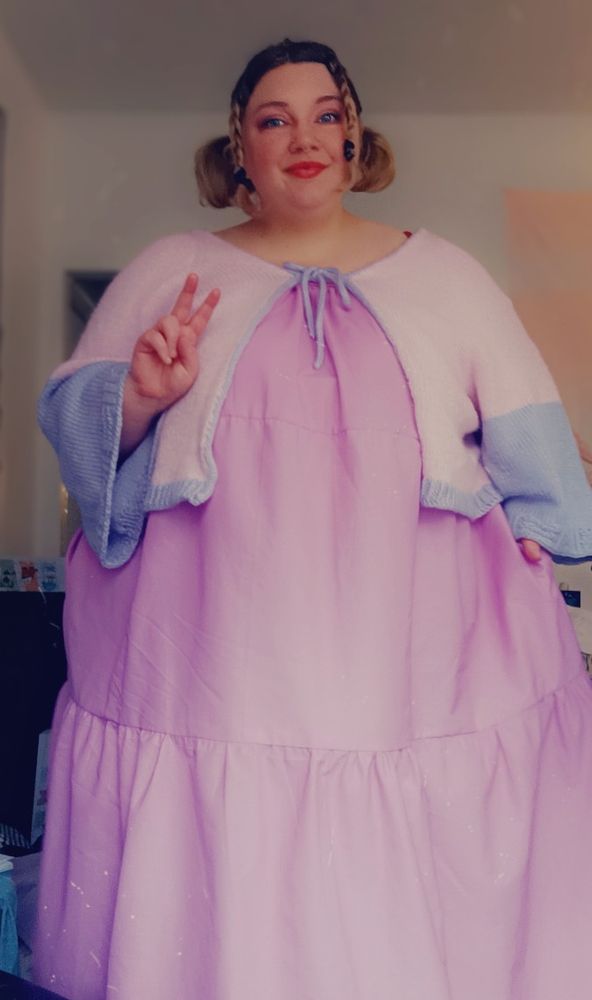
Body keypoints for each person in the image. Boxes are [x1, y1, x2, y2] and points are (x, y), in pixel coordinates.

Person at [34, 37, 592, 1000]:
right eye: (273, 119)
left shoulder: (447, 275)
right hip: (214, 662)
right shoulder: (174, 267)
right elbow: (79, 437)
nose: (304, 137)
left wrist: (554, 519)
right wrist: (139, 393)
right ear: (237, 152)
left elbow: (529, 431)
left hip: (413, 661)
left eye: (326, 114)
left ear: (356, 137)